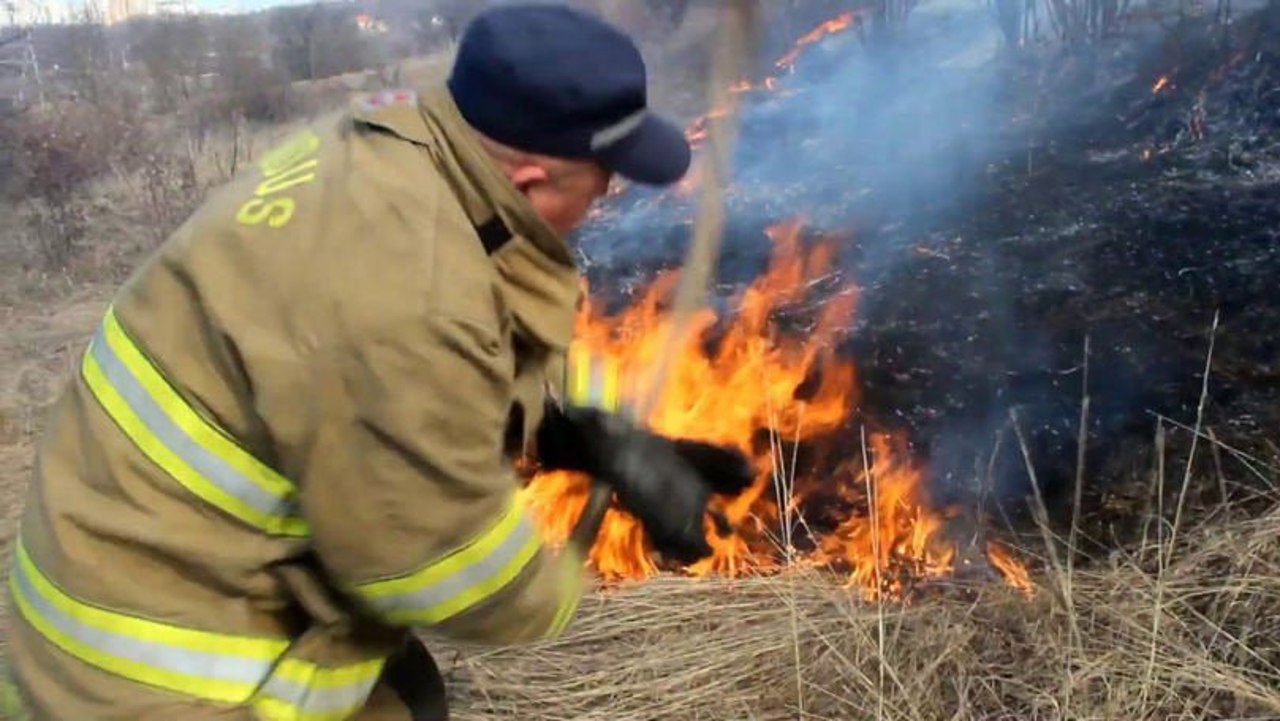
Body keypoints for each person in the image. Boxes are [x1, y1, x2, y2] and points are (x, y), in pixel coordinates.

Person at [1, 5, 754, 720]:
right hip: (150, 669)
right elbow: (448, 572)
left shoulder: (404, 147)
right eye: (605, 173)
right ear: (531, 180)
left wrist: (584, 434)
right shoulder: (404, 294)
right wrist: (569, 578)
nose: (611, 190)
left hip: (113, 546)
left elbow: (476, 329)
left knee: (406, 687)